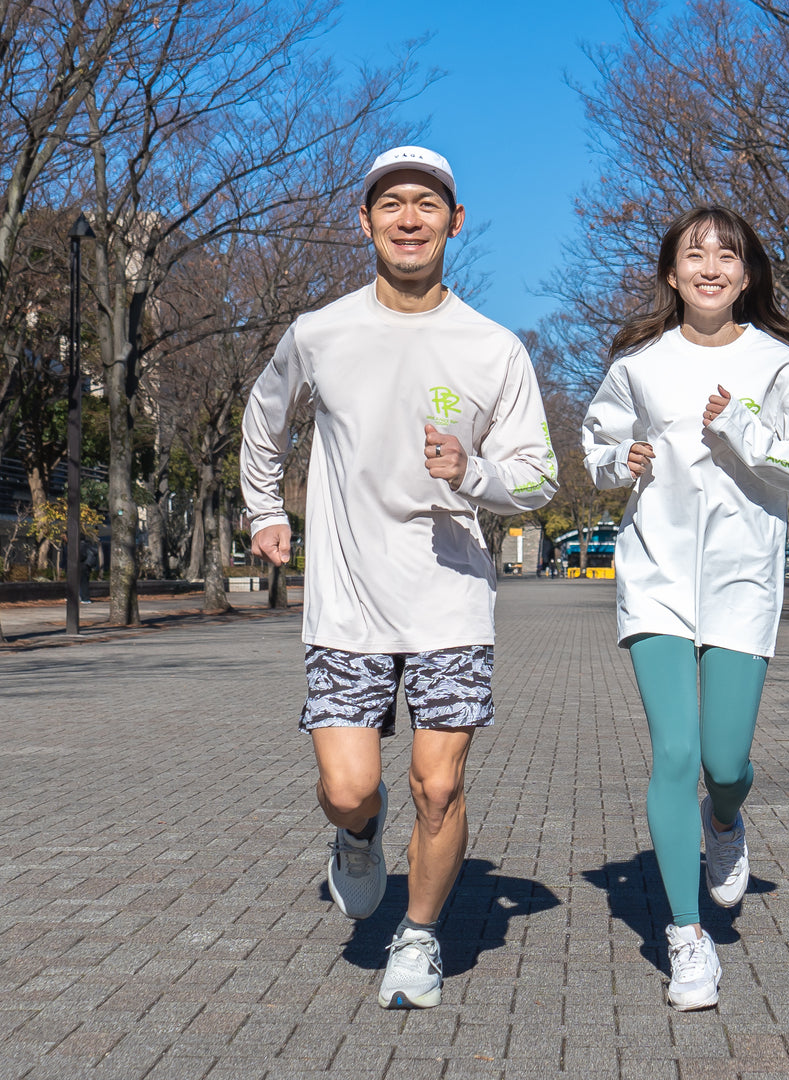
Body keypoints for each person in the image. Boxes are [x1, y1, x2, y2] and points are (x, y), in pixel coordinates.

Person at [240, 145, 557, 1010]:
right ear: (365, 222)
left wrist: (475, 473)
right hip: (346, 599)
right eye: (391, 204)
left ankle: (418, 937)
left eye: (426, 204)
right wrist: (265, 510)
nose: (408, 218)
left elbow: (540, 477)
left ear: (455, 223)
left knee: (440, 783)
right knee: (351, 789)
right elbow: (263, 422)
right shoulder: (318, 332)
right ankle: (357, 837)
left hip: (450, 598)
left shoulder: (494, 348)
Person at [582, 206, 789, 1011]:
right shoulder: (638, 363)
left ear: (747, 274)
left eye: (727, 254)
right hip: (656, 578)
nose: (710, 265)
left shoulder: (780, 364)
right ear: (670, 273)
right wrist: (613, 459)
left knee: (724, 764)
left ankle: (724, 818)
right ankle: (686, 940)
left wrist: (745, 429)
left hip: (741, 585)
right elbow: (594, 448)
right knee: (673, 752)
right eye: (694, 254)